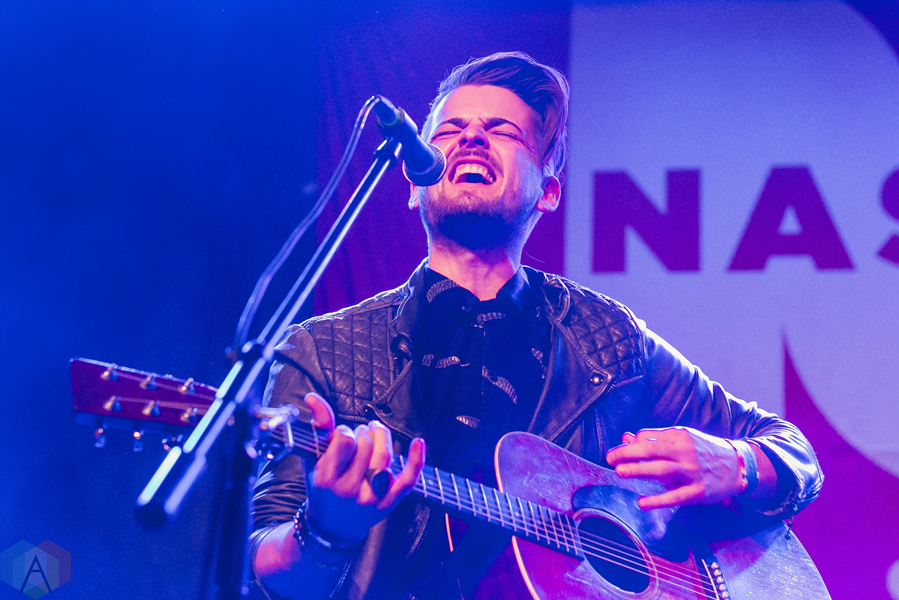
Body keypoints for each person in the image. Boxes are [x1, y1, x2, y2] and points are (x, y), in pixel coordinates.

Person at [249, 52, 823, 600]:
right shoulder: (326, 349)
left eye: (502, 131)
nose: (471, 138)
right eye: (449, 131)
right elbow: (266, 569)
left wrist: (740, 465)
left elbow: (791, 449)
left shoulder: (608, 340)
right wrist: (325, 532)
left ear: (548, 191)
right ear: (414, 181)